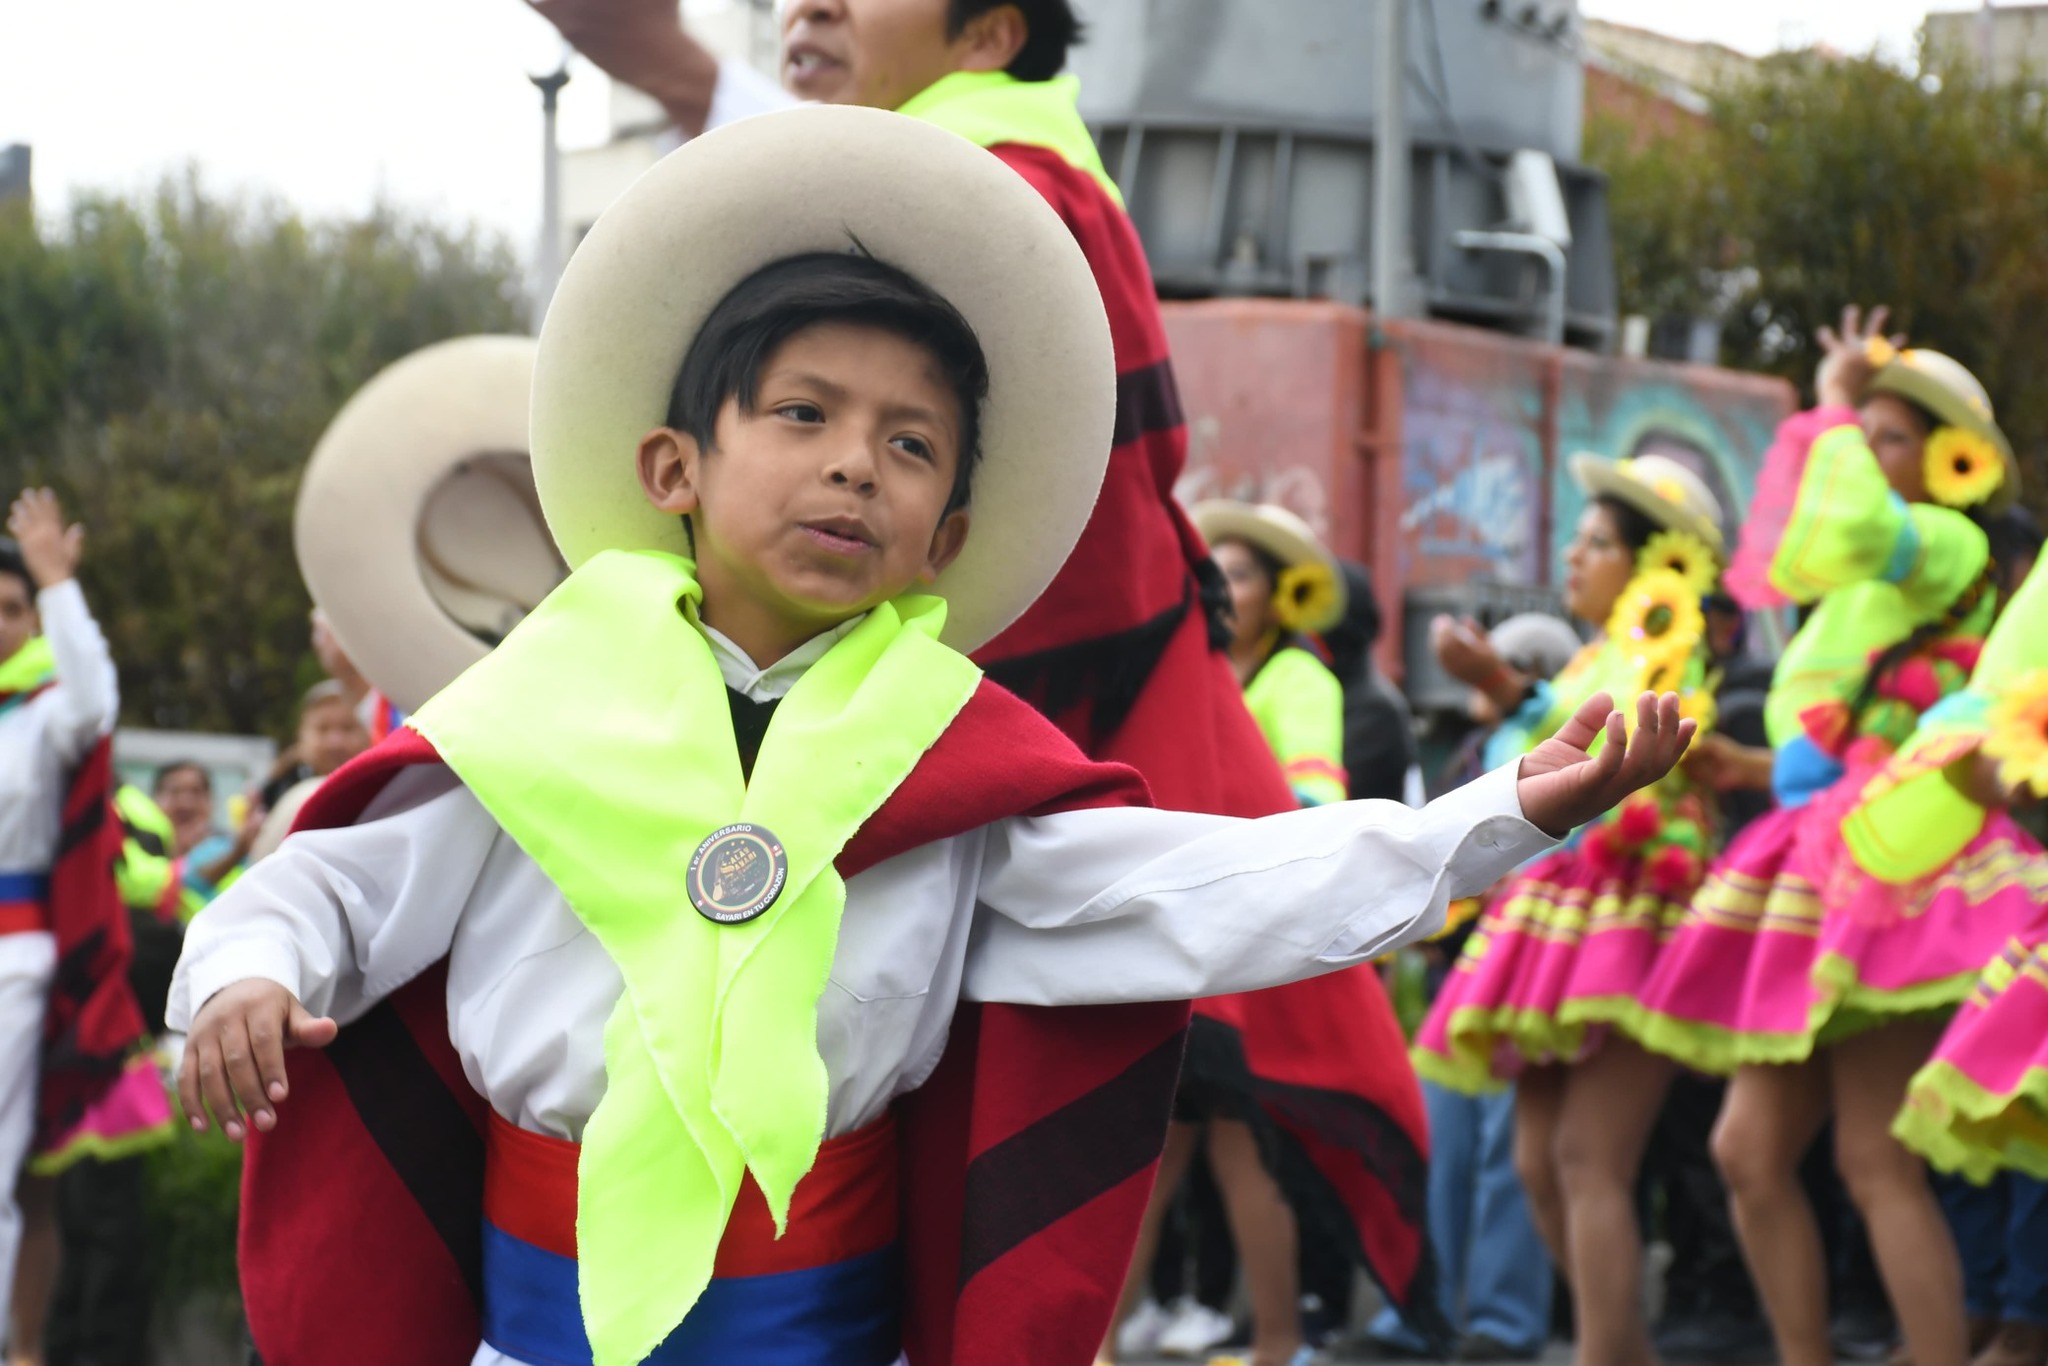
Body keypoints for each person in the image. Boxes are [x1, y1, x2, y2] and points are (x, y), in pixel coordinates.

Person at [166, 109, 1692, 1366]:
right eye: (805, 416)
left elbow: (1197, 889)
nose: (854, 469)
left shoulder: (957, 768)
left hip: (836, 1330)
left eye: (909, 446)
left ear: (947, 530)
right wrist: (247, 967)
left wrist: (1491, 815)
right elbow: (337, 885)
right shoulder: (529, 718)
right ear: (673, 464)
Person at [534, 0, 1468, 1345]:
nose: (811, 2)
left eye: (903, 437)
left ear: (986, 36)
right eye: (801, 408)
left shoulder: (1012, 210)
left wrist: (691, 77)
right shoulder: (998, 191)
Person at [1630, 308, 2034, 1366]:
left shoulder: (1940, 541)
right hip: (1817, 856)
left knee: (1869, 1157)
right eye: (1872, 432)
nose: (1868, 447)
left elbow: (1848, 527)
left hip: (1894, 868)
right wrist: (1748, 767)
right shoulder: (1861, 594)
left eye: (1895, 434)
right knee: (1747, 1152)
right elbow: (1828, 730)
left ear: (1952, 459)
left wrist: (1840, 398)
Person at [1412, 451, 1729, 1366]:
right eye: (1578, 540)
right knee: (1538, 1163)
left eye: (1598, 543)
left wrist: (1512, 691)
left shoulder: (1666, 641)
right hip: (1559, 916)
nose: (1575, 559)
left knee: (1591, 1162)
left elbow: (1625, 751)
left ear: (1655, 565)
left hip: (1631, 912)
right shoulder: (1599, 653)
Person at [1368, 611, 1581, 1365]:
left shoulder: (1552, 720)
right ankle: (1421, 1313)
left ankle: (1503, 1322)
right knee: (1444, 1134)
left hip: (1529, 959)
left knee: (1505, 1144)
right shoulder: (1471, 747)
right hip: (1465, 961)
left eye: (1516, 663)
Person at [0, 492, 169, 1357]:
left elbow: (95, 699)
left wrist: (60, 585)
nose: (0, 622)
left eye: (12, 607)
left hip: (15, 957)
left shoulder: (39, 719)